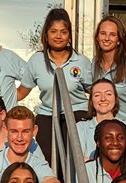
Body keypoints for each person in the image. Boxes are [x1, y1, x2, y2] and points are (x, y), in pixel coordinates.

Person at [18, 8, 92, 162]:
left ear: (69, 35)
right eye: (53, 31)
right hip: (48, 115)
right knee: (45, 158)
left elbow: (96, 92)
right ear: (46, 34)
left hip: (77, 114)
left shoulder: (81, 61)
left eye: (63, 32)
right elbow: (20, 93)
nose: (58, 36)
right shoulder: (36, 61)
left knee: (75, 161)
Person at [93, 16, 126, 124]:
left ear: (119, 40)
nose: (106, 38)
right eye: (103, 33)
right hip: (104, 127)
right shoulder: (94, 63)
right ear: (97, 37)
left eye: (112, 34)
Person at [75, 78, 126, 158]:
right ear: (91, 100)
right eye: (97, 95)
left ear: (115, 99)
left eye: (108, 94)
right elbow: (79, 160)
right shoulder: (80, 128)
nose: (103, 99)